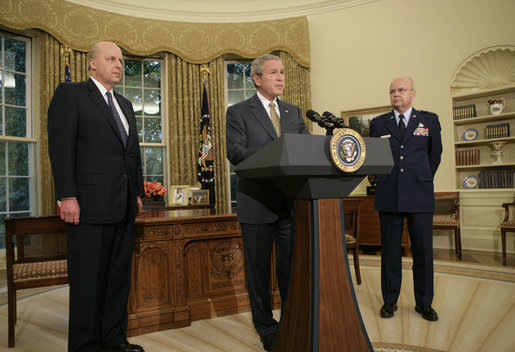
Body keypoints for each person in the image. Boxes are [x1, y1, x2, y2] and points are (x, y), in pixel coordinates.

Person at [47, 41, 145, 352]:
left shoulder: (125, 105)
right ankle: (85, 346)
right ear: (92, 64)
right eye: (111, 58)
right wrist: (67, 195)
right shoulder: (72, 94)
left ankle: (114, 341)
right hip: (87, 207)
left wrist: (138, 192)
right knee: (88, 283)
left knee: (117, 281)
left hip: (123, 205)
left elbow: (132, 154)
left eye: (121, 60)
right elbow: (61, 149)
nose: (118, 64)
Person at [225, 54, 310, 351]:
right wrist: (275, 151)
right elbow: (235, 152)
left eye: (283, 72)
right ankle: (266, 328)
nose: (281, 77)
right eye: (274, 72)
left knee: (290, 269)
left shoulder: (293, 112)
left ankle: (291, 320)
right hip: (256, 202)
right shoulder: (237, 112)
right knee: (259, 273)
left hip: (289, 204)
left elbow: (306, 148)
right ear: (257, 79)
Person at [369, 76, 443, 322]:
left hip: (420, 196)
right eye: (392, 91)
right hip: (389, 194)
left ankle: (424, 304)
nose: (396, 94)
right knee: (390, 252)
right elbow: (374, 157)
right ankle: (390, 301)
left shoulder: (429, 120)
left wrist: (420, 178)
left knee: (422, 252)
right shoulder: (379, 124)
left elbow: (435, 155)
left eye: (401, 90)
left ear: (413, 93)